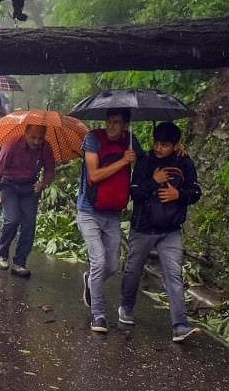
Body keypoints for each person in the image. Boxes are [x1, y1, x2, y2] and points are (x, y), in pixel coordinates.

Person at [119, 121, 202, 342]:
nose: (158, 148)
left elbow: (195, 191)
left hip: (171, 230)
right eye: (156, 142)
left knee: (174, 275)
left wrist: (179, 195)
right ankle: (126, 307)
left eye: (164, 144)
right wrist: (154, 182)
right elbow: (135, 193)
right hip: (143, 227)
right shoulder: (145, 162)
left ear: (176, 145)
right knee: (133, 270)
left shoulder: (184, 162)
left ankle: (180, 326)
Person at [77, 108, 141, 333]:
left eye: (117, 123)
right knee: (99, 262)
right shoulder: (92, 139)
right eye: (109, 121)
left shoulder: (131, 141)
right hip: (88, 211)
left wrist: (176, 153)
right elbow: (94, 176)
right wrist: (124, 161)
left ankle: (90, 281)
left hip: (113, 213)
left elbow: (147, 163)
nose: (112, 126)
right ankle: (99, 315)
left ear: (125, 125)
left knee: (112, 266)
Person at [0, 125, 56, 277]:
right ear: (26, 133)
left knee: (29, 224)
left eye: (40, 138)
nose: (36, 141)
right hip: (9, 185)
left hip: (29, 188)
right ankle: (3, 253)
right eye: (33, 137)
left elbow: (50, 168)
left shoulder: (45, 147)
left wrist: (43, 183)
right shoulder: (12, 144)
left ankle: (20, 263)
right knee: (12, 220)